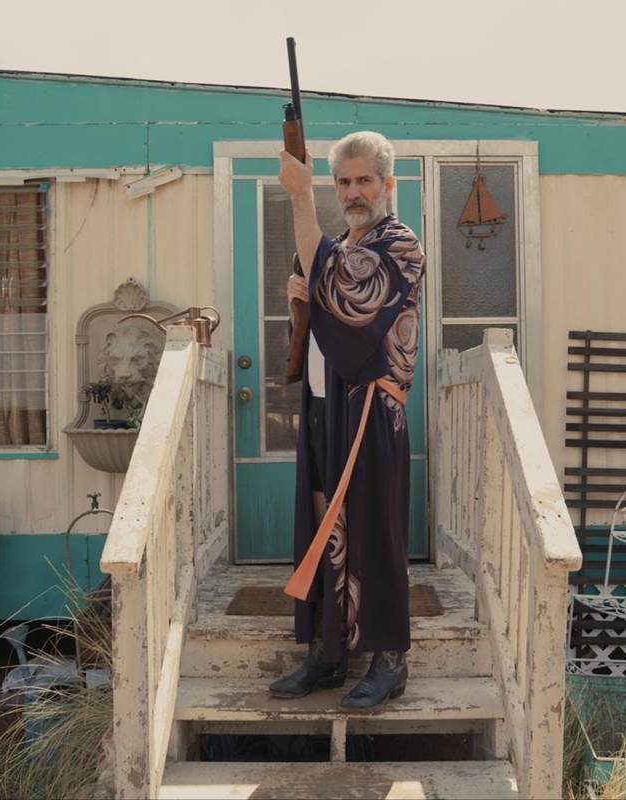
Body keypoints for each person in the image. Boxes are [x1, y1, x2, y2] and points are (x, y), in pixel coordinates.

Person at [268, 131, 425, 710]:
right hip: (323, 405)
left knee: (374, 531)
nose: (353, 192)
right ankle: (328, 653)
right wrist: (299, 298)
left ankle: (390, 661)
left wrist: (300, 197)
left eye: (364, 180)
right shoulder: (336, 246)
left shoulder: (400, 244)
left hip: (370, 411)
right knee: (322, 526)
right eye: (343, 182)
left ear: (388, 183)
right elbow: (322, 316)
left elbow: (354, 299)